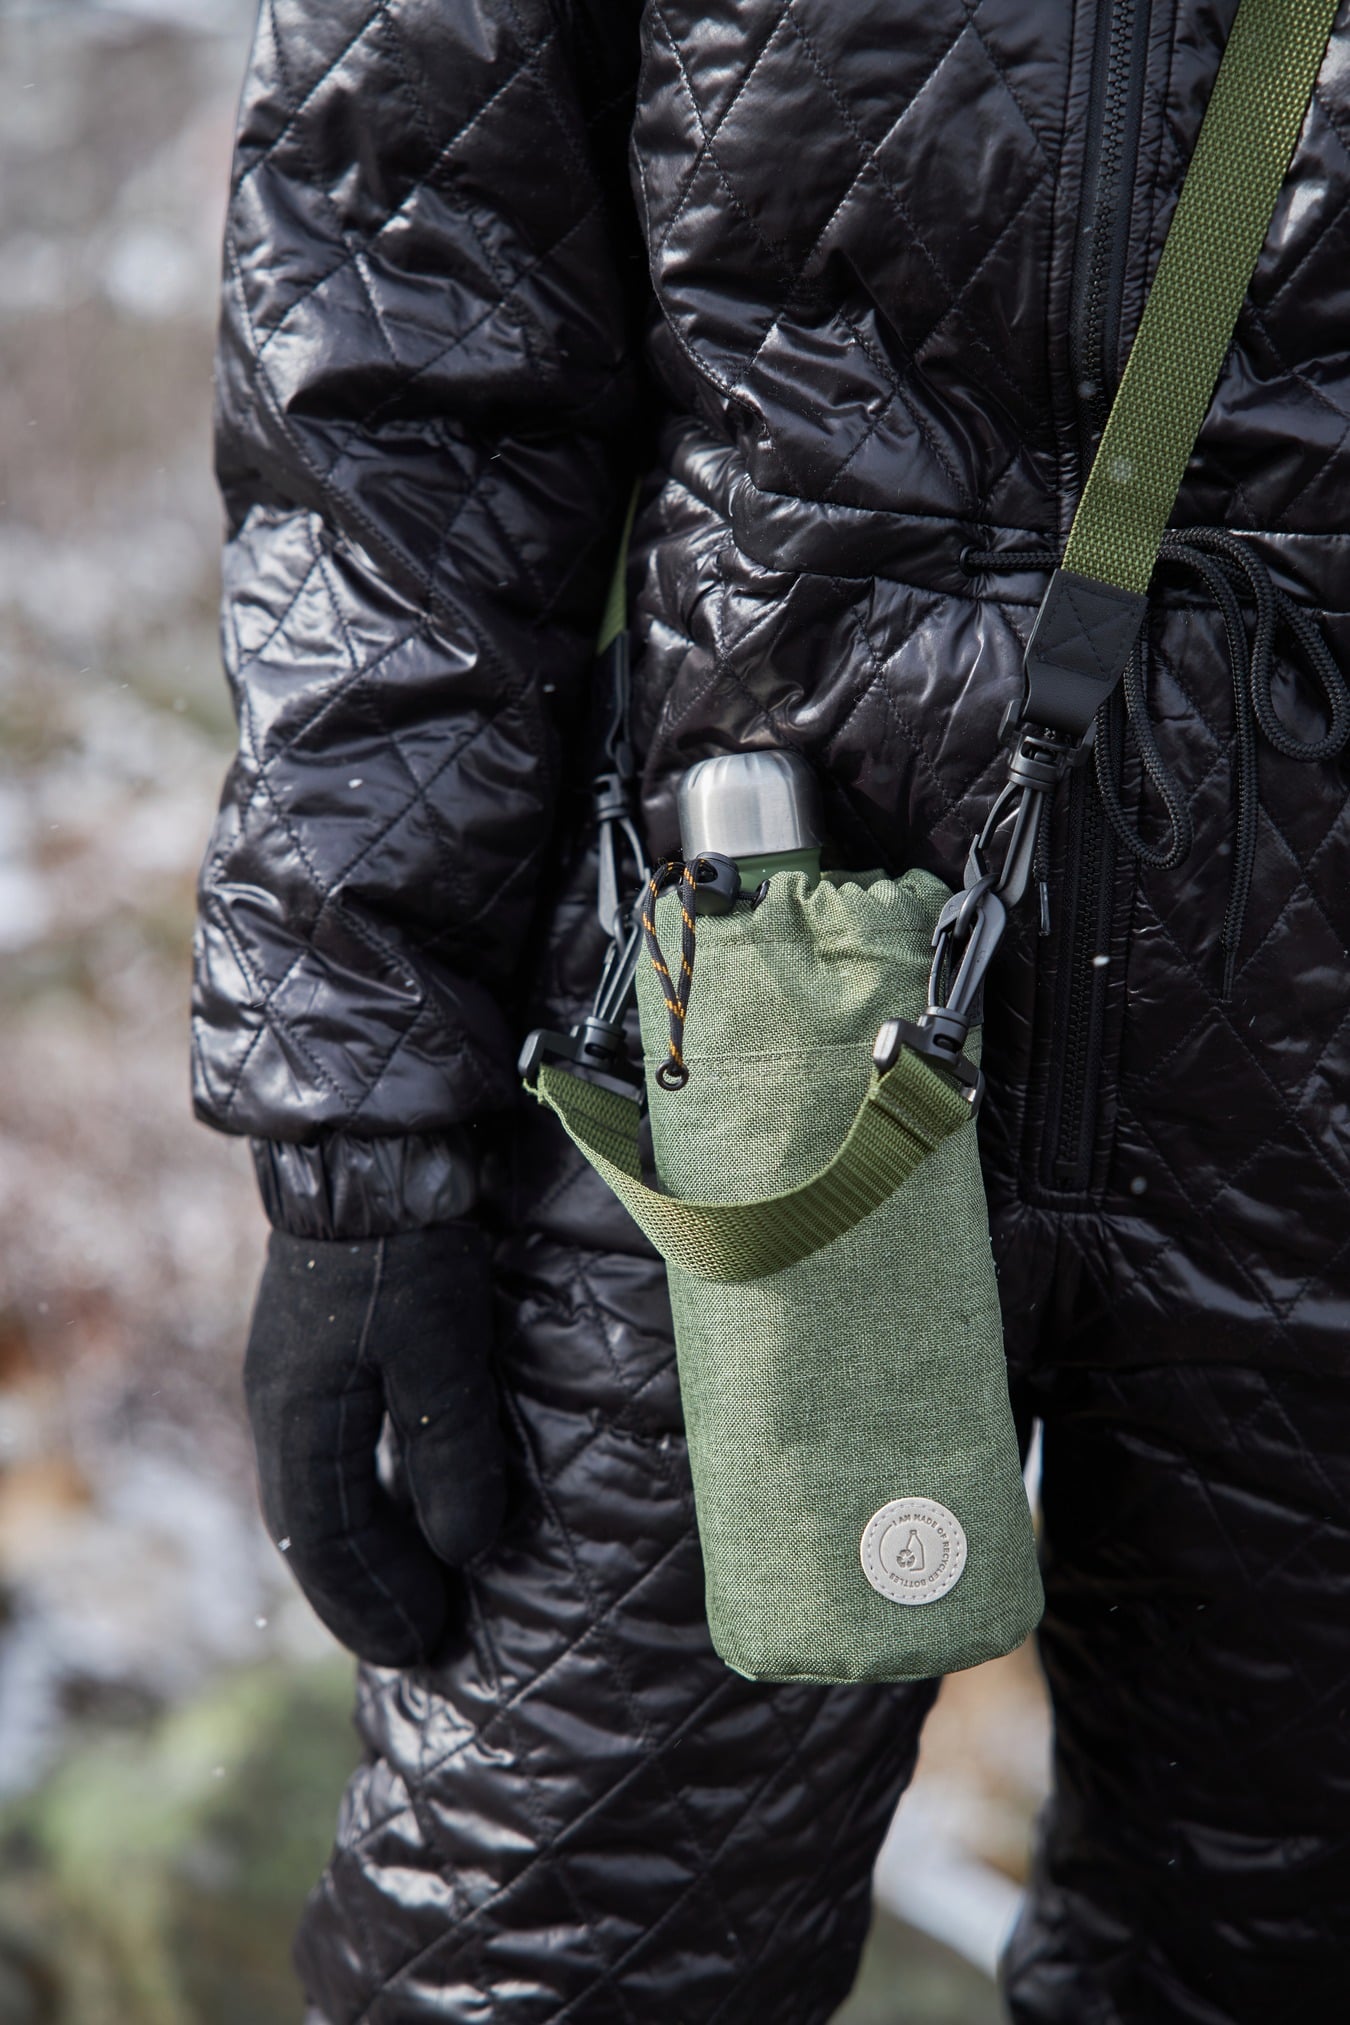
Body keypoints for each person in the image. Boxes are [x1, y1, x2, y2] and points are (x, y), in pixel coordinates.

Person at [192, 4, 1350, 2019]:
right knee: (525, 1974)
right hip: (736, 1025)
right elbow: (402, 306)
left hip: (1312, 1096)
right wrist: (355, 1088)